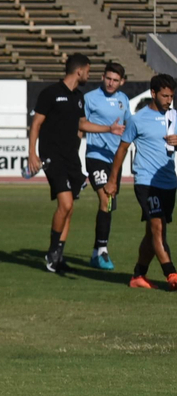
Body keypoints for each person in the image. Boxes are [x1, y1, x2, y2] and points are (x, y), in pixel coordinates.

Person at [109, 74, 177, 289]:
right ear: (153, 94)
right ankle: (172, 274)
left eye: (171, 96)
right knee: (157, 228)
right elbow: (122, 150)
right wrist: (113, 181)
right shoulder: (137, 119)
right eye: (165, 96)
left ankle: (138, 276)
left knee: (151, 232)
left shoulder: (175, 116)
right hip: (146, 181)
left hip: (169, 182)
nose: (169, 100)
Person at [29, 54, 93, 274]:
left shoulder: (78, 97)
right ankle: (52, 253)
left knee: (70, 209)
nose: (88, 75)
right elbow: (36, 124)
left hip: (71, 160)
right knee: (65, 204)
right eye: (88, 71)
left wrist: (109, 129)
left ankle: (58, 257)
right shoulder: (50, 94)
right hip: (52, 157)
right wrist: (32, 154)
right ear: (80, 70)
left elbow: (83, 124)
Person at [81, 62, 131, 269]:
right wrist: (107, 129)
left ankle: (96, 252)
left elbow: (128, 128)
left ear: (122, 82)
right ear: (102, 77)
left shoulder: (124, 100)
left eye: (115, 80)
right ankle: (102, 251)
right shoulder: (90, 98)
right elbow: (81, 124)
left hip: (115, 160)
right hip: (96, 156)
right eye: (108, 78)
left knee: (109, 206)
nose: (111, 83)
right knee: (106, 197)